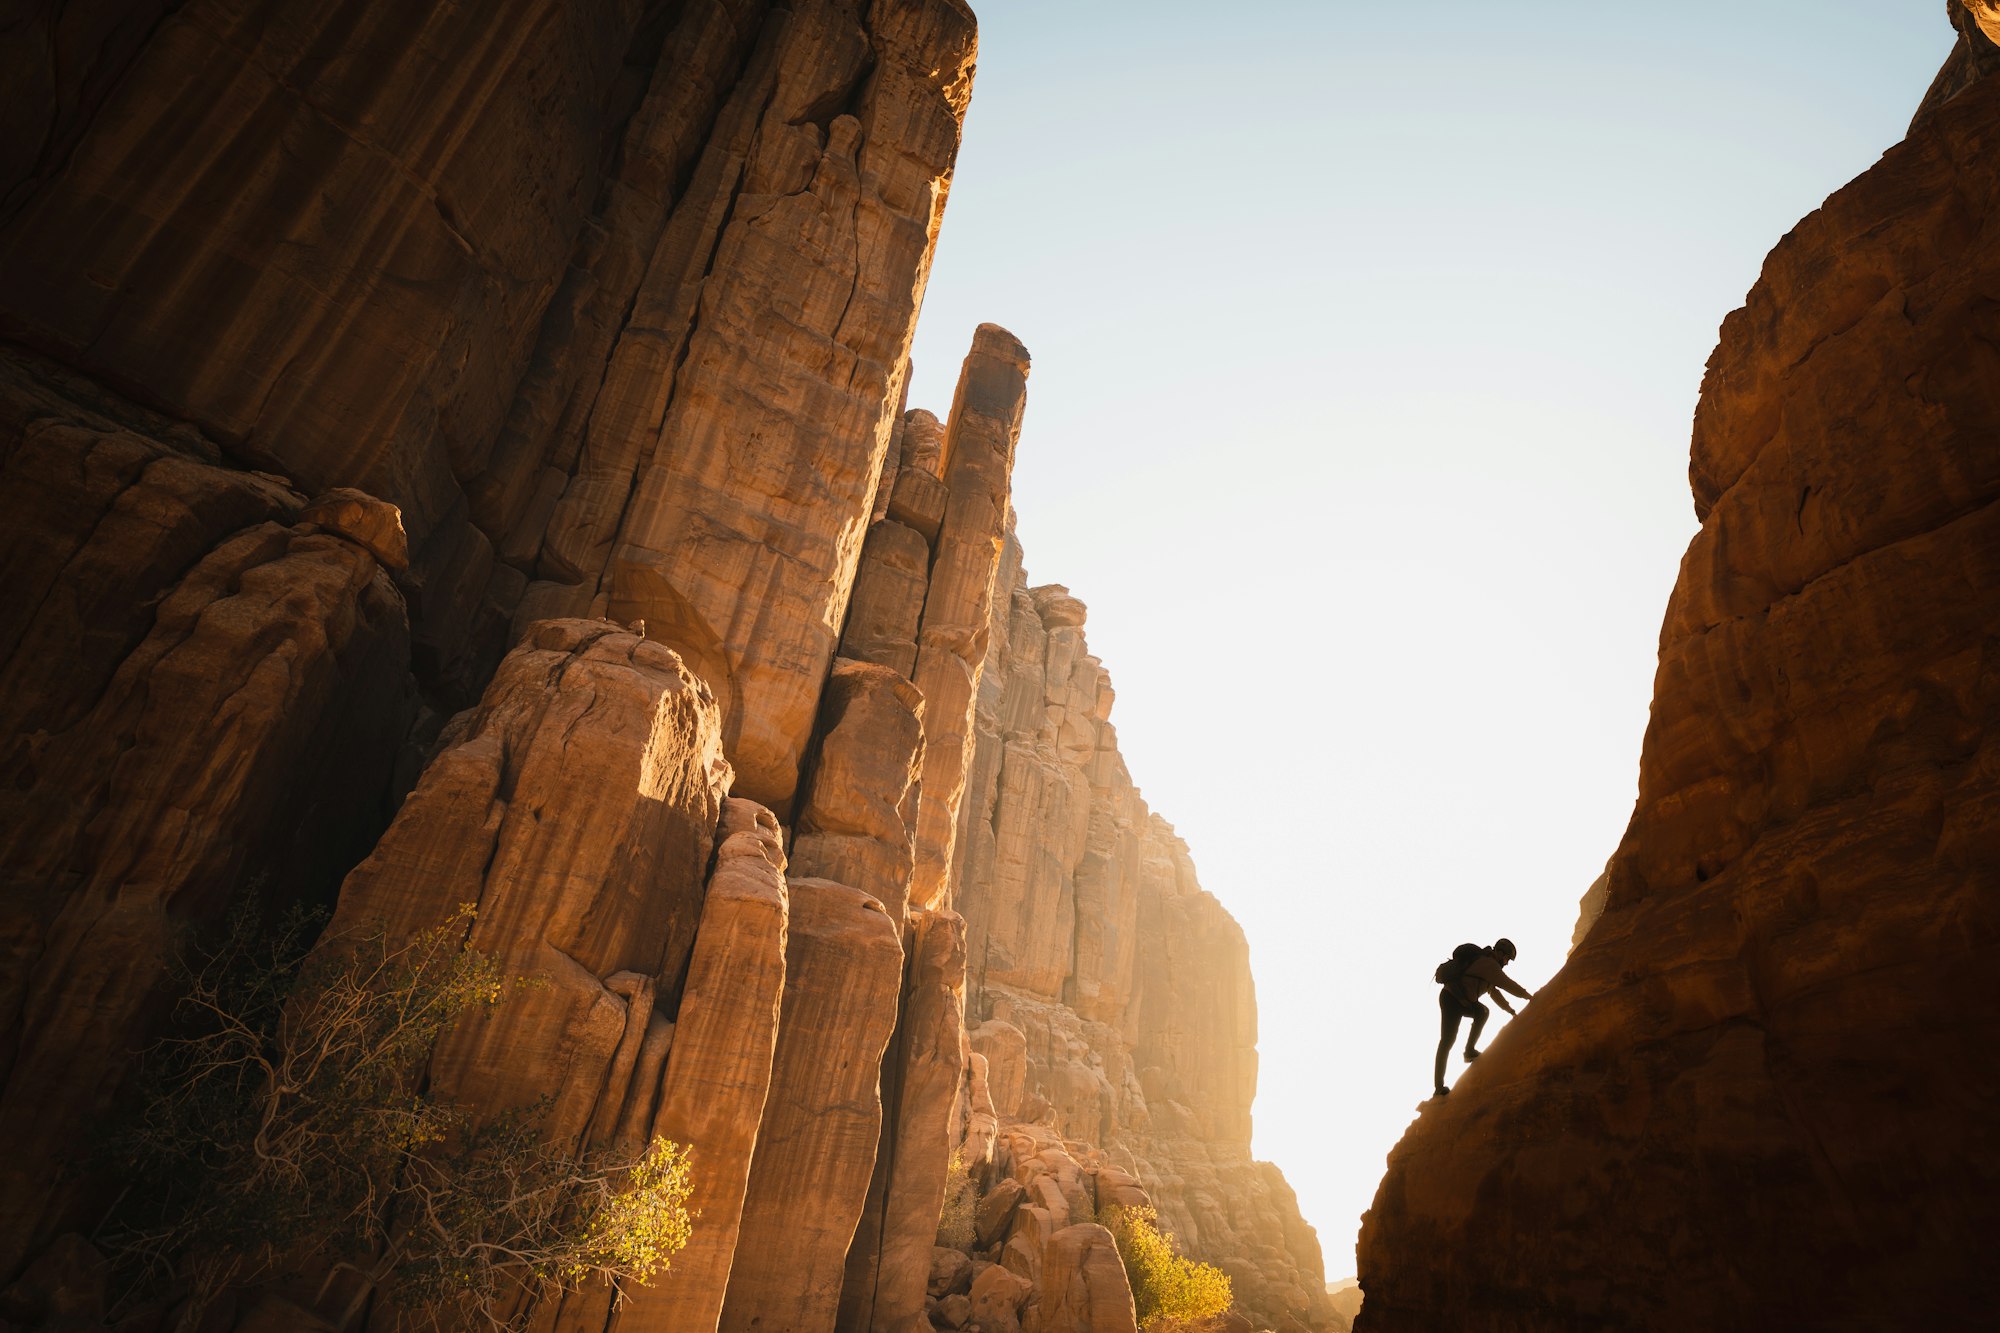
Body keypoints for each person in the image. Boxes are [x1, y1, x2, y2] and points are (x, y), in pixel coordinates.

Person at [1433, 938, 1532, 1098]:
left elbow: (1494, 993)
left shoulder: (1488, 966)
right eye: (1507, 958)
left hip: (1460, 1000)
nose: (1506, 963)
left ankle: (1469, 1051)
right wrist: (1529, 996)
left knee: (1482, 1012)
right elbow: (1507, 984)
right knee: (1448, 1040)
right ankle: (1439, 1087)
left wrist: (1510, 1011)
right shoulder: (1488, 964)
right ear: (1499, 953)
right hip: (1452, 998)